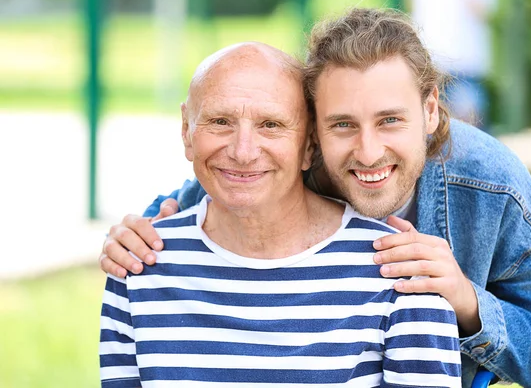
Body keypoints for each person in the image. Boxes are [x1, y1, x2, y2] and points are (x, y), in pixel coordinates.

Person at [100, 8, 531, 387]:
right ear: (310, 134)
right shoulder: (286, 165)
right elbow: (226, 180)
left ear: (432, 111)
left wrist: (467, 301)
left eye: (390, 120)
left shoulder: (489, 184)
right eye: (342, 125)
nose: (369, 151)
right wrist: (140, 232)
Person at [99, 42, 461, 387]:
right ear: (186, 131)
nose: (243, 152)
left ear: (309, 146)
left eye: (270, 125)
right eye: (220, 121)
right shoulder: (137, 267)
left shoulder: (402, 274)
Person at [406, 0, 496, 126]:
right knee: (430, 128)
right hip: (428, 61)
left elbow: (484, 11)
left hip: (465, 64)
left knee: (469, 126)